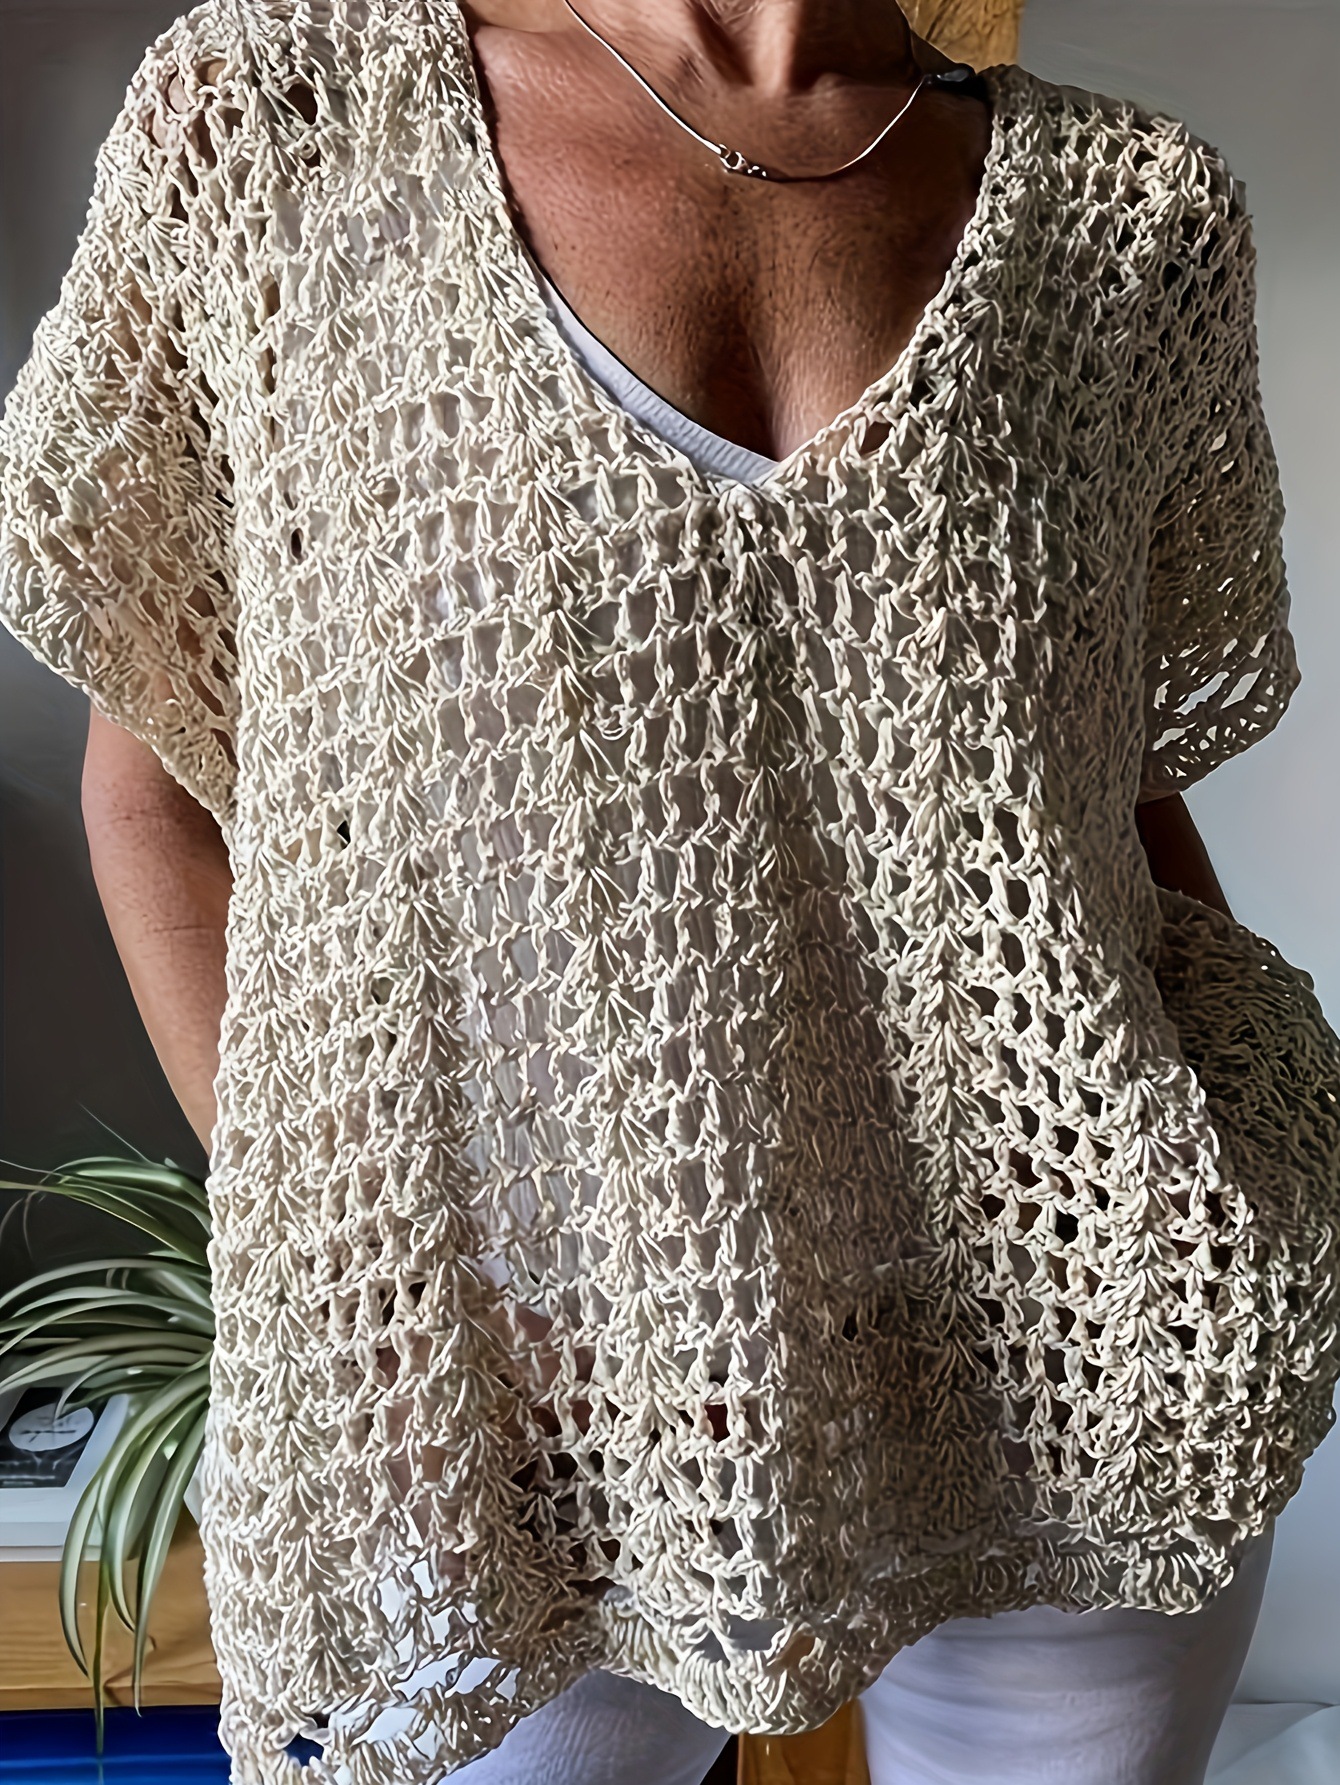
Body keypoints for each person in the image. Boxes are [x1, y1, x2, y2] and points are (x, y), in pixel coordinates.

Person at [2, 3, 1338, 1783]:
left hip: (1079, 1347)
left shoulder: (1132, 225)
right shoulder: (277, 123)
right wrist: (376, 1311)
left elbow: (1114, 799)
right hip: (512, 1409)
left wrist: (1240, 1196)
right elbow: (159, 785)